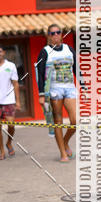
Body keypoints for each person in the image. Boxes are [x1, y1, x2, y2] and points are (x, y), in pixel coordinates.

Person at [35, 24, 78, 162]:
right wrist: (41, 94)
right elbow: (40, 74)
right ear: (48, 36)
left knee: (75, 121)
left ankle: (65, 142)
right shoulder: (45, 51)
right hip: (54, 89)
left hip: (70, 88)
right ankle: (63, 153)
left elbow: (77, 68)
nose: (55, 35)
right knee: (58, 121)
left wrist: (84, 86)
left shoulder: (69, 49)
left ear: (62, 34)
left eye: (58, 32)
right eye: (52, 33)